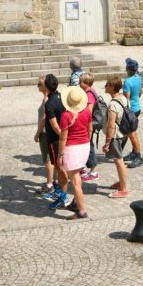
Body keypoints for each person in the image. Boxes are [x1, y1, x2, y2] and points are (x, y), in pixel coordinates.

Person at [54, 85, 92, 219]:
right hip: (85, 146)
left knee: (75, 181)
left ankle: (81, 211)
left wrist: (60, 155)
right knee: (78, 178)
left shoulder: (66, 115)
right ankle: (76, 203)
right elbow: (89, 129)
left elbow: (63, 137)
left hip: (72, 149)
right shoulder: (87, 111)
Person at [41, 74, 71, 207]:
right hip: (64, 137)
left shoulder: (49, 103)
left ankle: (63, 196)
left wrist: (62, 137)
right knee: (61, 167)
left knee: (59, 167)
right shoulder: (63, 98)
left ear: (46, 87)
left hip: (55, 141)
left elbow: (54, 125)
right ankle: (60, 191)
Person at [102, 74, 130, 198]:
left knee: (119, 161)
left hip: (116, 136)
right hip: (124, 133)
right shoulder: (124, 98)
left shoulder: (113, 105)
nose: (105, 86)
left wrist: (107, 142)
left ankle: (123, 189)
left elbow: (111, 125)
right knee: (119, 159)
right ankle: (121, 182)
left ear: (112, 87)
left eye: (107, 85)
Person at [33, 75, 56, 194]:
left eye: (39, 84)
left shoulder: (46, 100)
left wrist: (37, 133)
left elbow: (44, 119)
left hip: (45, 133)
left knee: (48, 160)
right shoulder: (52, 97)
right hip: (50, 132)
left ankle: (49, 184)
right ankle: (54, 181)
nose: (37, 86)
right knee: (53, 159)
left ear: (45, 86)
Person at [122, 57, 143, 168]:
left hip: (131, 111)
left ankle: (138, 157)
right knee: (131, 133)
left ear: (128, 69)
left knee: (132, 134)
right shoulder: (138, 78)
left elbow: (126, 99)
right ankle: (134, 153)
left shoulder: (127, 82)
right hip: (137, 108)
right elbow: (140, 93)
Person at [79, 72, 99, 182]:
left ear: (86, 83)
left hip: (88, 124)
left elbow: (89, 111)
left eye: (80, 81)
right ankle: (82, 168)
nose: (79, 83)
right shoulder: (87, 92)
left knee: (89, 146)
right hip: (87, 123)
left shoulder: (89, 94)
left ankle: (93, 171)